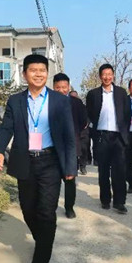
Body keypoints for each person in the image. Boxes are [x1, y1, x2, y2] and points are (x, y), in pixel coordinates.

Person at [0, 54, 76, 263]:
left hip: (50, 162)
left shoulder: (60, 101)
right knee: (28, 209)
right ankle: (44, 241)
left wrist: (70, 166)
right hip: (25, 161)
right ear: (25, 73)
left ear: (47, 73)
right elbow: (6, 127)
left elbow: (69, 135)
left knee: (47, 213)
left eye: (42, 70)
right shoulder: (16, 101)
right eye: (33, 70)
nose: (38, 74)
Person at [86, 64, 131, 214]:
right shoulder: (93, 94)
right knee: (103, 170)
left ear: (113, 75)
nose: (107, 77)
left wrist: (125, 135)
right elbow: (89, 114)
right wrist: (93, 133)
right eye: (104, 74)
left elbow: (127, 114)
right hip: (101, 137)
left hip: (118, 137)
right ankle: (105, 199)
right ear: (100, 76)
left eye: (109, 74)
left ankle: (120, 202)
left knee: (119, 171)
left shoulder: (121, 93)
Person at [53, 73, 88, 219]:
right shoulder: (48, 102)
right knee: (52, 180)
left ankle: (69, 207)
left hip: (71, 147)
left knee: (70, 179)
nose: (61, 90)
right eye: (58, 87)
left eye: (64, 87)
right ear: (53, 87)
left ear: (68, 87)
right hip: (52, 147)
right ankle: (51, 206)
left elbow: (83, 122)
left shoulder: (76, 103)